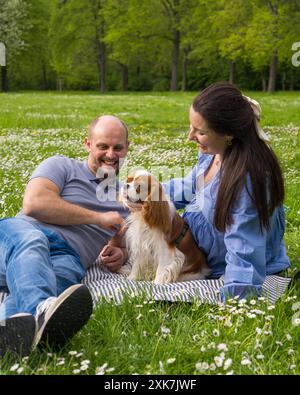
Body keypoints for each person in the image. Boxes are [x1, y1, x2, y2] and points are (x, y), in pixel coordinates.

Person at [0, 115, 129, 357]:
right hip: (19, 236)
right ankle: (41, 308)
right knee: (34, 243)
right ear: (88, 144)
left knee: (54, 285)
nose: (111, 154)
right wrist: (98, 218)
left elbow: (134, 238)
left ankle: (9, 338)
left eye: (117, 147)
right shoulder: (61, 165)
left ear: (127, 148)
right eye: (103, 146)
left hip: (68, 258)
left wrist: (121, 252)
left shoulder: (127, 196)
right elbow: (34, 204)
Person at [165, 82, 290, 301]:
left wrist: (236, 298)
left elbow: (244, 246)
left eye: (200, 131)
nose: (190, 136)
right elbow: (190, 186)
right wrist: (148, 193)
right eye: (191, 127)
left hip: (222, 262)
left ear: (228, 134)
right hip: (200, 248)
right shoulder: (214, 153)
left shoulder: (249, 179)